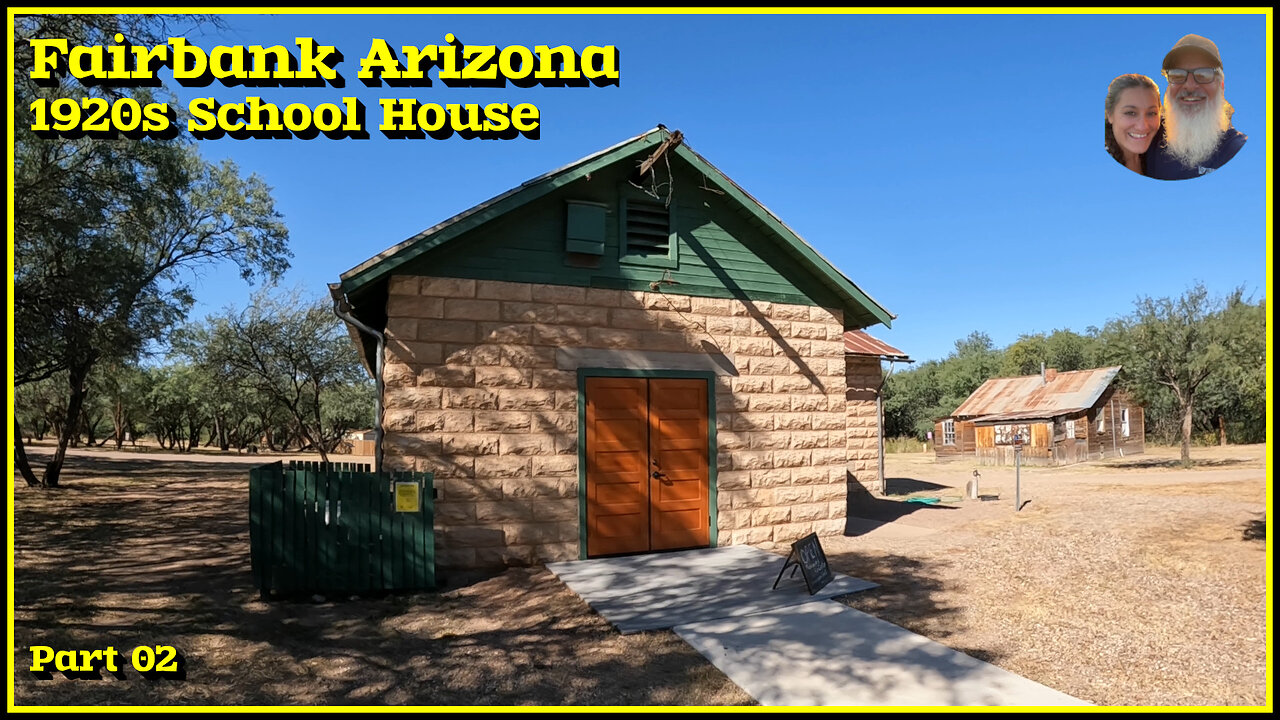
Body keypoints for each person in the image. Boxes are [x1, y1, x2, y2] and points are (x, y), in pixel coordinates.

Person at [1145, 34, 1247, 180]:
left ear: (1221, 87)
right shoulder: (1146, 137)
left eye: (1204, 74)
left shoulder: (1236, 151)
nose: (1190, 86)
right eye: (1178, 75)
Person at [1104, 74, 1161, 175]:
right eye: (1130, 113)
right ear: (1109, 115)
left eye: (1151, 113)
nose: (1143, 126)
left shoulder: (1158, 153)